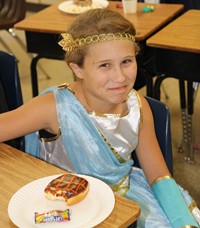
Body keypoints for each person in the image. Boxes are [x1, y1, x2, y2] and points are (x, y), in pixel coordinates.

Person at [0, 8, 199, 227]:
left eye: (127, 61)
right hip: (68, 208)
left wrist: (182, 222)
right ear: (78, 69)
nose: (120, 77)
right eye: (105, 65)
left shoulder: (137, 106)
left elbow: (158, 175)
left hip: (126, 198)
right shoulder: (55, 108)